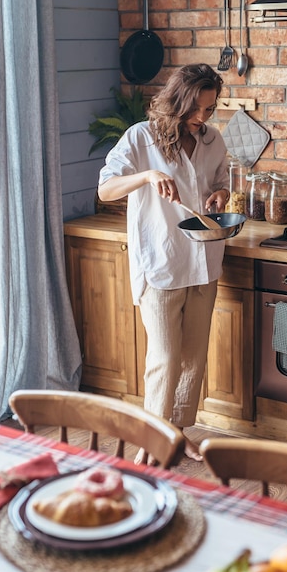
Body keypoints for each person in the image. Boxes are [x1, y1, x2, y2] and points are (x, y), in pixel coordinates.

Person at [98, 64, 230, 463]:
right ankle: (153, 435)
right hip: (162, 262)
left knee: (193, 356)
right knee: (165, 357)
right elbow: (106, 189)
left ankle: (177, 432)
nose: (202, 118)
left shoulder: (213, 140)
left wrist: (221, 195)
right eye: (197, 109)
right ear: (178, 101)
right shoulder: (140, 138)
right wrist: (146, 176)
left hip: (205, 260)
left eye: (209, 109)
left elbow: (222, 182)